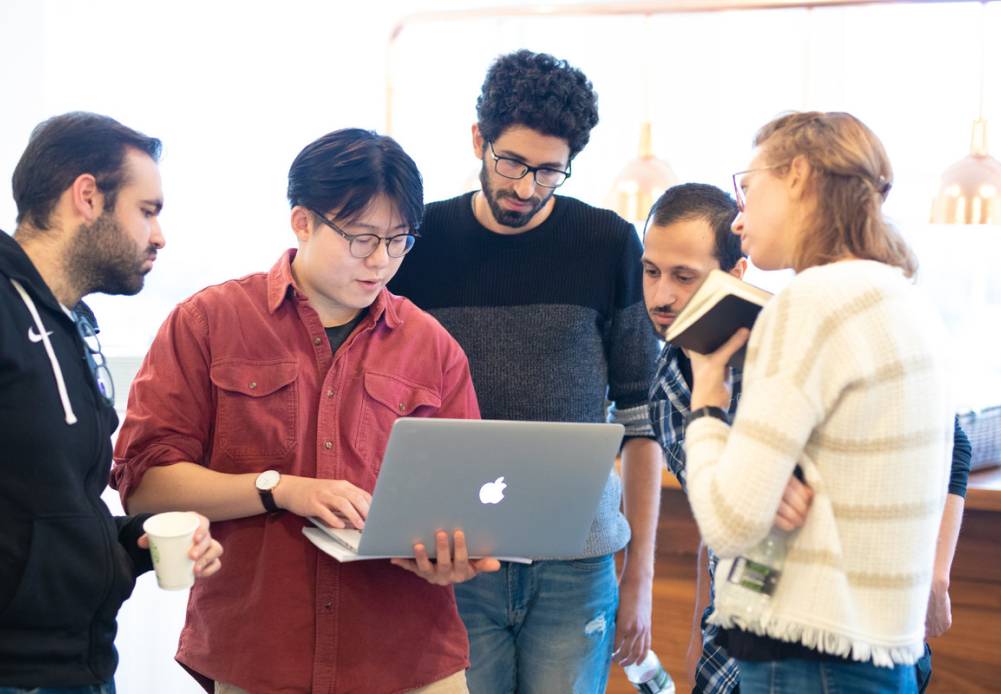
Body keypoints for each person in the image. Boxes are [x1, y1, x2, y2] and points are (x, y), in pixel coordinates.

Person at [110, 127, 495, 694]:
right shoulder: (208, 323)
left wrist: (452, 556)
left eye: (399, 241)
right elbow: (145, 486)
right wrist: (280, 489)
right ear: (303, 222)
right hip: (264, 652)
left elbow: (467, 499)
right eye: (362, 238)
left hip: (407, 653)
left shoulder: (431, 347)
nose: (381, 261)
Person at [389, 49, 662, 694]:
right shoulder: (421, 243)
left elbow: (641, 421)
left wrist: (640, 578)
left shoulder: (608, 243)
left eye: (548, 171)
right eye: (510, 162)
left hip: (578, 563)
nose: (525, 188)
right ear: (477, 140)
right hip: (455, 556)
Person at [641, 182, 972, 693]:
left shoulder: (793, 332)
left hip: (831, 623)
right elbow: (724, 518)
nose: (662, 296)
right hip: (743, 614)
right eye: (651, 272)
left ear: (735, 273)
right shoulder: (664, 379)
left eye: (684, 277)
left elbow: (953, 442)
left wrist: (935, 573)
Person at [0, 112, 222, 693]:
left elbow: (56, 501)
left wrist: (132, 540)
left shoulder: (75, 325)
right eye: (147, 211)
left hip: (83, 660)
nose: (159, 236)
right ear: (87, 197)